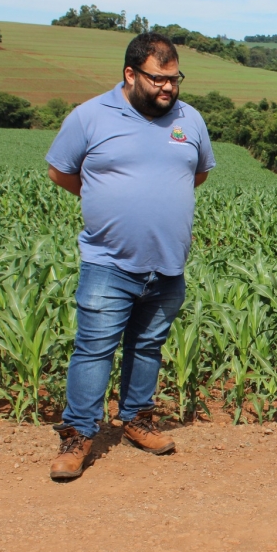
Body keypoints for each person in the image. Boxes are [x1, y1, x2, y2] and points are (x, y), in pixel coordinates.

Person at [43, 32, 215, 481]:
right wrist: (106, 197)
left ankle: (136, 418)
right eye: (158, 79)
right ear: (130, 73)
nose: (168, 88)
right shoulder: (90, 116)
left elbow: (196, 175)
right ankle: (78, 435)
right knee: (94, 349)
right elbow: (60, 172)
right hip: (108, 262)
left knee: (148, 346)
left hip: (168, 264)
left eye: (174, 79)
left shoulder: (189, 119)